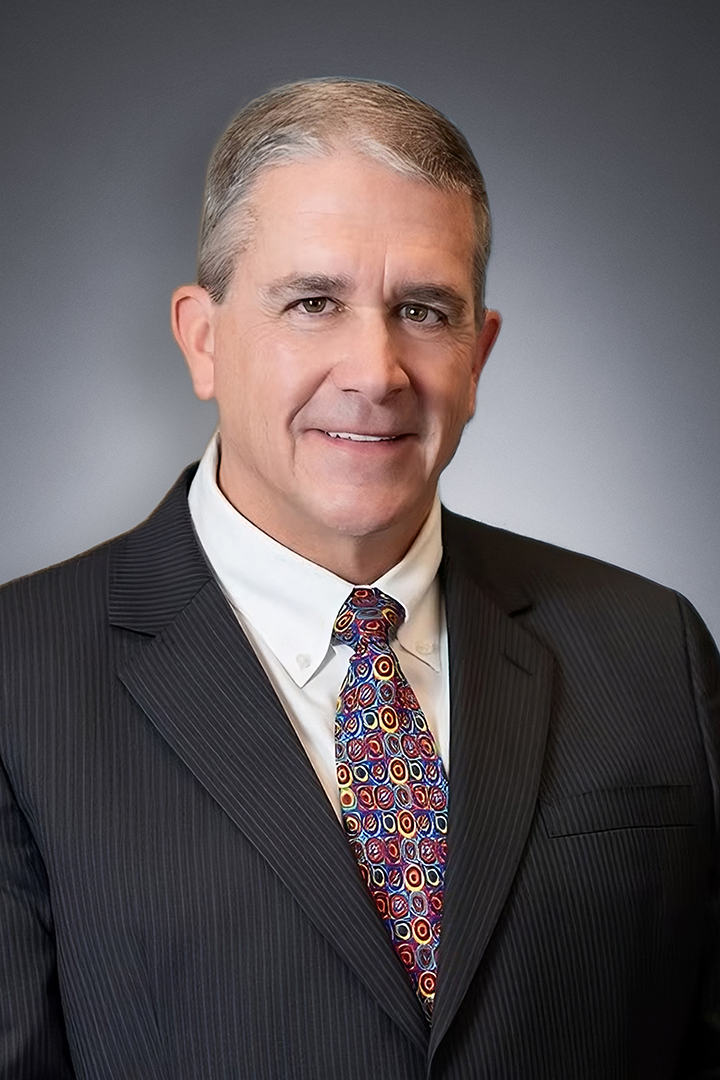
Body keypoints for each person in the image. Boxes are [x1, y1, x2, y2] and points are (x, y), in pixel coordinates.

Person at [0, 78, 718, 1080]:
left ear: (479, 355)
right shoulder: (19, 679)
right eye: (313, 303)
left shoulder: (652, 650)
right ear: (203, 340)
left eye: (423, 310)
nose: (376, 371)